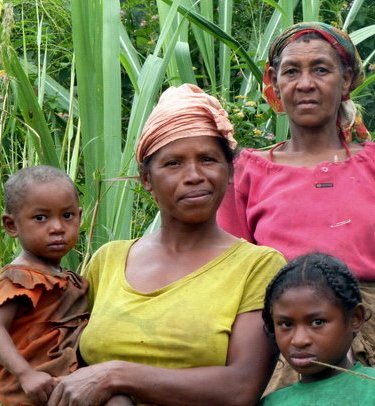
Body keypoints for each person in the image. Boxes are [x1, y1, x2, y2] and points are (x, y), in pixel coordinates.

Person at [218, 21, 375, 397]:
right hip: (283, 350)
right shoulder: (246, 171)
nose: (305, 84)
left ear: (346, 79)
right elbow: (231, 284)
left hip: (374, 340)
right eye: (291, 71)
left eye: (320, 69)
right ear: (273, 82)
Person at [47, 84, 287, 405]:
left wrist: (116, 374)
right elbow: (64, 359)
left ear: (230, 171)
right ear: (146, 179)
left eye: (207, 159)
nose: (194, 176)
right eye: (173, 163)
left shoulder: (258, 266)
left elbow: (241, 388)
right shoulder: (107, 261)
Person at [0, 166, 90, 405]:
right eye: (40, 218)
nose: (57, 228)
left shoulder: (67, 278)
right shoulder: (21, 278)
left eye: (67, 216)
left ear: (80, 217)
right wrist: (25, 373)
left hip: (62, 384)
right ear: (12, 225)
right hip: (32, 389)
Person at [260, 253, 375, 405]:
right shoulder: (271, 403)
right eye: (286, 324)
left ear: (355, 318)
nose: (299, 340)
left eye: (317, 322)